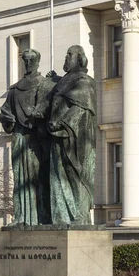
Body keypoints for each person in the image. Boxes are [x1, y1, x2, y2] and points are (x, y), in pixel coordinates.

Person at [0, 49, 55, 225]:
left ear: (38, 62)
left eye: (32, 60)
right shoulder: (15, 89)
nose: (29, 64)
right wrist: (6, 119)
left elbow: (53, 109)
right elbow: (5, 111)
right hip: (20, 138)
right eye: (26, 61)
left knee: (40, 178)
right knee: (21, 179)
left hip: (39, 140)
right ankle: (22, 217)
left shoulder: (45, 85)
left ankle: (42, 217)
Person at [47, 45, 97, 225]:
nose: (66, 58)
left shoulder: (85, 80)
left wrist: (62, 122)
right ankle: (61, 216)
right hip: (58, 135)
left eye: (70, 55)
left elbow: (82, 108)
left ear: (80, 58)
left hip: (76, 137)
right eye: (66, 54)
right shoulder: (63, 81)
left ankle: (81, 215)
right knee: (58, 175)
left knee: (76, 173)